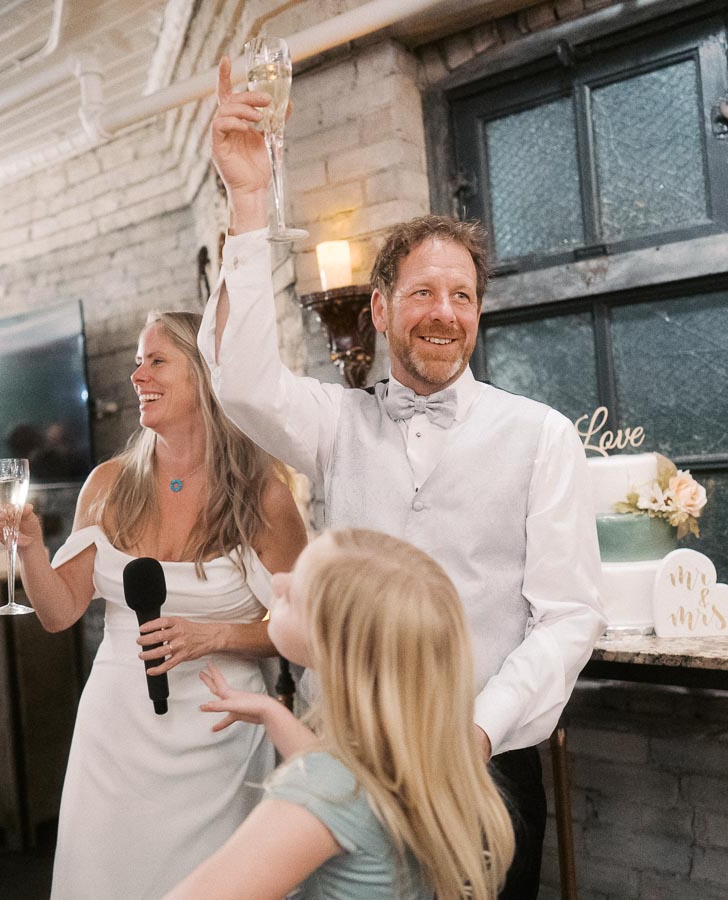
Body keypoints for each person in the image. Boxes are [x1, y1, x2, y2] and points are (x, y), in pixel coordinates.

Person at [200, 57, 607, 899]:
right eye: (423, 292)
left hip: (482, 763)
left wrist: (477, 733)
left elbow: (569, 616)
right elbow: (240, 383)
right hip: (347, 749)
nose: (445, 314)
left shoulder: (540, 436)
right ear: (379, 309)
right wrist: (246, 206)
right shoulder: (335, 421)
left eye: (462, 296)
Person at [0, 310, 307, 899]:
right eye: (137, 360)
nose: (137, 375)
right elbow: (59, 614)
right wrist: (29, 547)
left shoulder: (264, 496)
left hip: (222, 731)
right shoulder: (106, 483)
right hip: (117, 731)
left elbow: (312, 630)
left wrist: (218, 636)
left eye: (156, 360)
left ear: (207, 375)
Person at [166, 528, 515, 900]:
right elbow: (345, 780)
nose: (279, 579)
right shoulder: (420, 760)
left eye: (296, 593)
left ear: (334, 647)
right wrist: (273, 713)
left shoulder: (319, 792)